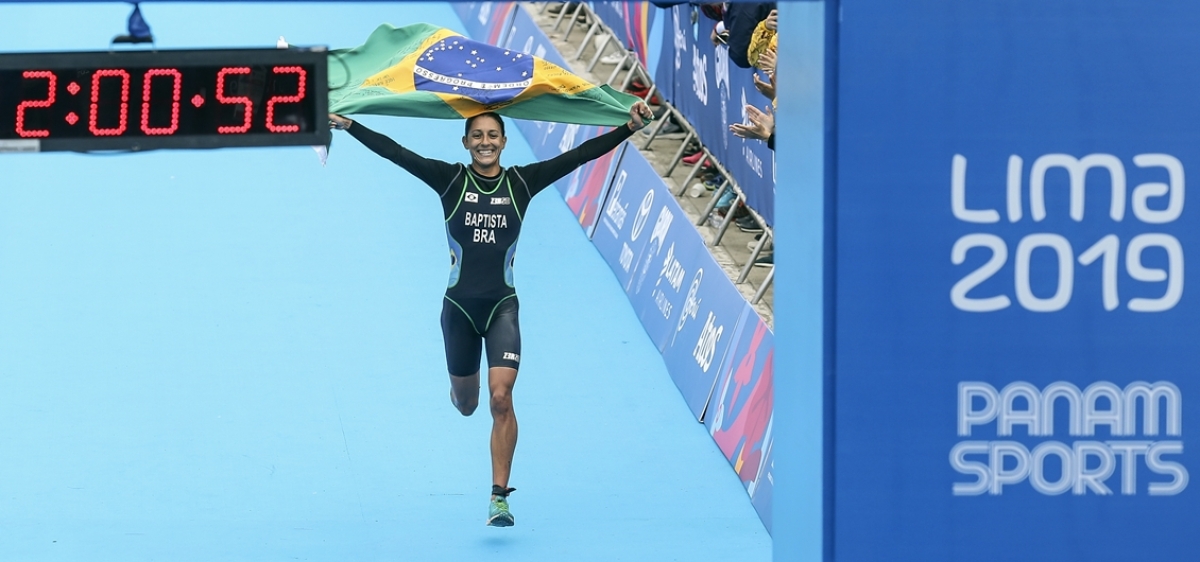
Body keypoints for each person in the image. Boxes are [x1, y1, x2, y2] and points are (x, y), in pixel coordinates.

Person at [327, 101, 653, 528]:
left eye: (492, 135)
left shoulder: (522, 182)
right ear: (465, 143)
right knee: (467, 404)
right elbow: (397, 153)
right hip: (458, 309)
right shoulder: (449, 180)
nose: (485, 142)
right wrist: (351, 125)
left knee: (502, 398)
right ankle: (462, 390)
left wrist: (629, 127)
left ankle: (499, 497)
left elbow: (580, 156)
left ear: (504, 141)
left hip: (502, 306)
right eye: (477, 136)